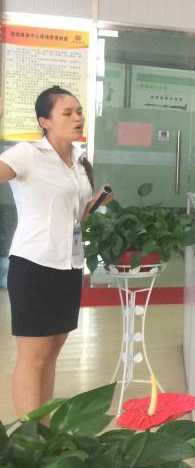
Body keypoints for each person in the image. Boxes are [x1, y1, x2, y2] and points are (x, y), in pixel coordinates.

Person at [0, 87, 111, 416]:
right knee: (33, 357)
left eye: (79, 111)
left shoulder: (80, 160)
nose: (77, 118)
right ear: (44, 121)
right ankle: (29, 436)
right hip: (34, 264)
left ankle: (43, 429)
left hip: (69, 265)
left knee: (51, 354)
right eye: (67, 113)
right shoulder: (27, 154)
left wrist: (93, 205)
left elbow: (76, 216)